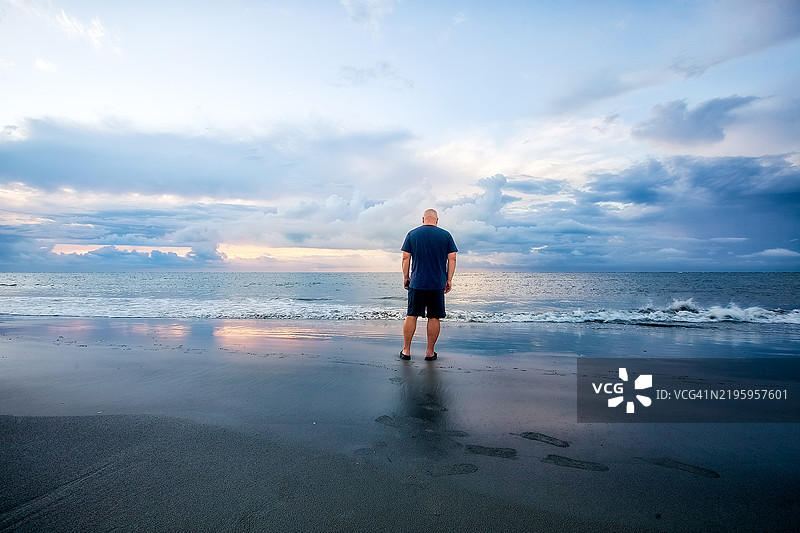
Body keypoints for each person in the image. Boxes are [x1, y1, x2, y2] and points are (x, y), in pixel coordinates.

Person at [400, 208, 457, 361]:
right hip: (437, 283)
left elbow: (406, 258)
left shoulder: (412, 234)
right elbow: (452, 259)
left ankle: (406, 351)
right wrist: (449, 279)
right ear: (437, 220)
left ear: (422, 219)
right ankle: (430, 352)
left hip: (417, 282)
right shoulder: (446, 235)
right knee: (434, 317)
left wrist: (406, 277)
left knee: (411, 315)